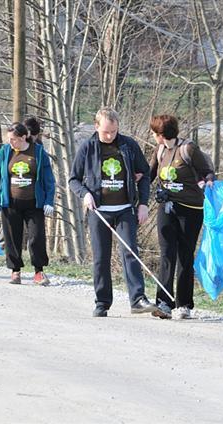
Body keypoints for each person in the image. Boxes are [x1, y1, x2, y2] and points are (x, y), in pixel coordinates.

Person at [69, 107, 161, 318]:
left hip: (125, 209)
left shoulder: (128, 145)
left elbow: (145, 174)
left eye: (114, 131)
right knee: (101, 258)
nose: (110, 136)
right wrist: (85, 194)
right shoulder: (87, 148)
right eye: (106, 132)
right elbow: (74, 179)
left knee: (130, 252)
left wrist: (143, 204)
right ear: (96, 126)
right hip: (99, 211)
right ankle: (102, 302)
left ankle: (137, 299)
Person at [148, 114, 215, 320]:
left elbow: (207, 171)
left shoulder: (188, 149)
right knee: (167, 253)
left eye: (154, 133)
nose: (153, 136)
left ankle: (184, 304)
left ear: (160, 134)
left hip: (191, 209)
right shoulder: (159, 151)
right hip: (167, 208)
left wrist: (209, 181)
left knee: (185, 256)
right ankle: (164, 302)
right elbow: (149, 175)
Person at [0, 123, 55, 285]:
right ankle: (15, 270)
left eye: (14, 139)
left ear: (24, 137)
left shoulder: (38, 152)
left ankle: (38, 271)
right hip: (11, 203)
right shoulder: (5, 152)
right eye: (9, 139)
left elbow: (49, 179)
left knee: (36, 237)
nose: (10, 142)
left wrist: (49, 201)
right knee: (12, 238)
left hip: (34, 204)